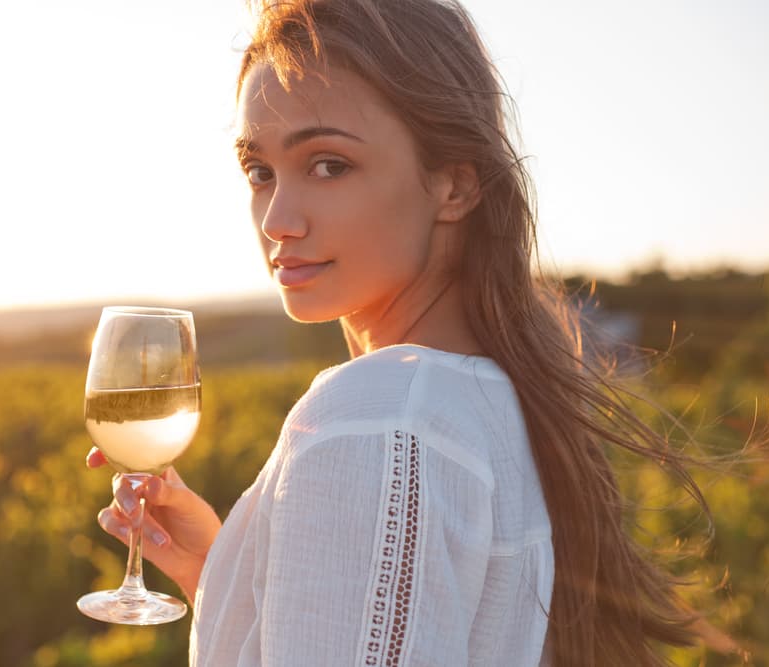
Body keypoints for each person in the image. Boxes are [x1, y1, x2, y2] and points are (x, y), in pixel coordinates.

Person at [88, 0, 715, 664]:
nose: (276, 218)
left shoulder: (380, 418)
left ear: (454, 185)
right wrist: (229, 569)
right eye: (259, 172)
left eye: (328, 164)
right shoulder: (491, 399)